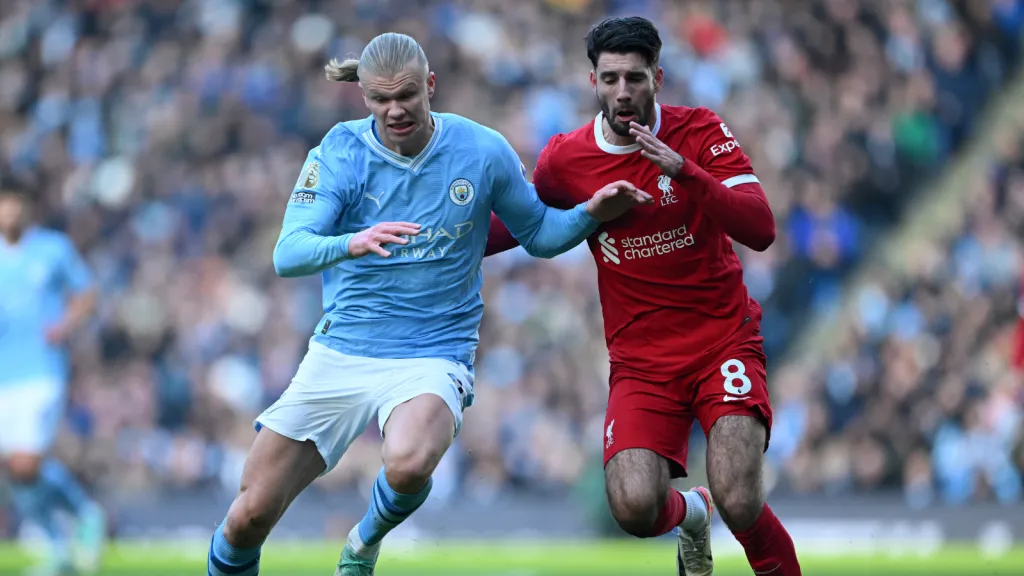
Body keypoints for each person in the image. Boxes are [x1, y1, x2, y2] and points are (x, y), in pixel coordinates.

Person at [205, 32, 651, 576]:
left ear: (431, 86)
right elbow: (288, 253)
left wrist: (590, 214)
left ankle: (363, 544)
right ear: (363, 97)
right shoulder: (339, 153)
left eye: (407, 96)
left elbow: (537, 233)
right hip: (342, 351)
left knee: (411, 460)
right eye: (380, 100)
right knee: (246, 518)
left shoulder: (481, 151)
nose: (394, 110)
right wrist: (352, 241)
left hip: (432, 353)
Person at [485, 16, 802, 576]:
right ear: (593, 83)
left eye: (635, 77)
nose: (623, 92)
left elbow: (761, 227)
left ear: (658, 76)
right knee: (633, 506)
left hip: (721, 342)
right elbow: (523, 226)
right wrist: (436, 245)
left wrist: (687, 173)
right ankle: (692, 513)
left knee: (740, 495)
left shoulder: (699, 132)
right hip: (642, 365)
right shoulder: (566, 161)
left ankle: (723, 512)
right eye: (610, 79)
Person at [0, 183, 107, 576]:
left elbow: (86, 292)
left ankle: (83, 514)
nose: (9, 213)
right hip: (3, 374)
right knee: (14, 468)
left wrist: (66, 325)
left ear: (27, 208)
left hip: (41, 371)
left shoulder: (52, 248)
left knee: (26, 462)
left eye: (15, 205)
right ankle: (60, 548)